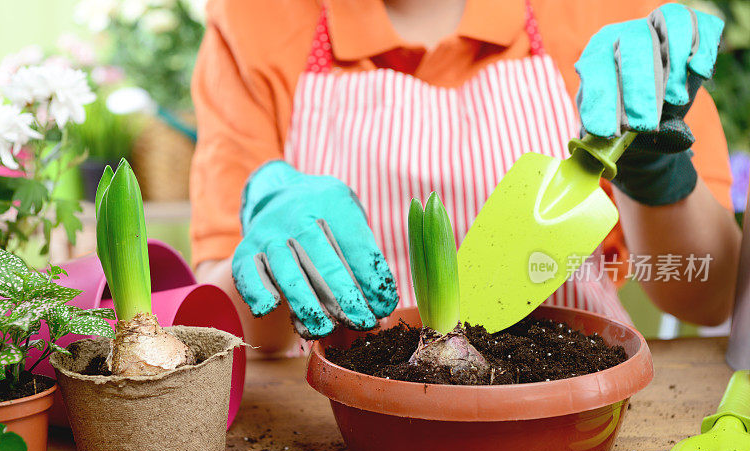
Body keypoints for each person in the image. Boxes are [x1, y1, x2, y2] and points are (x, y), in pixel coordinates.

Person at [190, 0, 741, 353]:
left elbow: (706, 298)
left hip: (574, 401)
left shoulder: (606, 12)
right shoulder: (252, 19)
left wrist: (654, 172)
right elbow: (221, 328)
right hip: (347, 415)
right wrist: (269, 251)